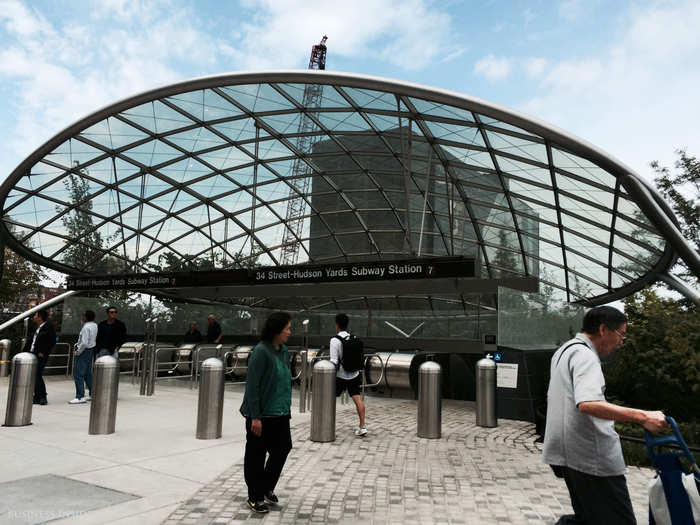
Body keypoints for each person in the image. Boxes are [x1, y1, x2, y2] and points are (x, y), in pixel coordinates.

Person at [543, 305, 669, 525]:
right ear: (603, 329)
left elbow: (551, 398)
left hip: (566, 453)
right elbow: (588, 404)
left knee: (589, 518)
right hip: (591, 458)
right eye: (621, 334)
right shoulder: (585, 356)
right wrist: (644, 417)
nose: (621, 342)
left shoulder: (564, 351)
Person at [239, 311, 293, 514]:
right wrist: (255, 416)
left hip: (280, 413)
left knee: (283, 448)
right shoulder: (261, 352)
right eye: (287, 328)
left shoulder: (283, 350)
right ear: (277, 330)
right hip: (261, 415)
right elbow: (252, 386)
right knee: (256, 455)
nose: (289, 331)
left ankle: (265, 486)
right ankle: (255, 496)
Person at [330, 313, 367, 437]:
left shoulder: (335, 340)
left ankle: (328, 427)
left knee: (329, 400)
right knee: (357, 399)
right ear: (347, 324)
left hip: (340, 375)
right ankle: (362, 426)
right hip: (354, 374)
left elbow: (334, 361)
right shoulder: (353, 337)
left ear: (336, 325)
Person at [22, 309, 56, 405]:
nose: (34, 317)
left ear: (40, 317)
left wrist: (43, 352)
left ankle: (43, 396)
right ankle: (37, 397)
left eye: (35, 315)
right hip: (32, 354)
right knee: (35, 376)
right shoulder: (37, 327)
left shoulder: (48, 327)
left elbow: (52, 341)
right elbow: (32, 341)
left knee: (37, 375)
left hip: (40, 355)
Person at [69, 310, 97, 404]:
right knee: (87, 373)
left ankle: (80, 396)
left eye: (83, 315)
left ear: (86, 317)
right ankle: (93, 394)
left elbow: (84, 342)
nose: (82, 317)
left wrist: (78, 351)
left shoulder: (86, 327)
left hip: (84, 351)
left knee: (78, 374)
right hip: (90, 350)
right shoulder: (94, 325)